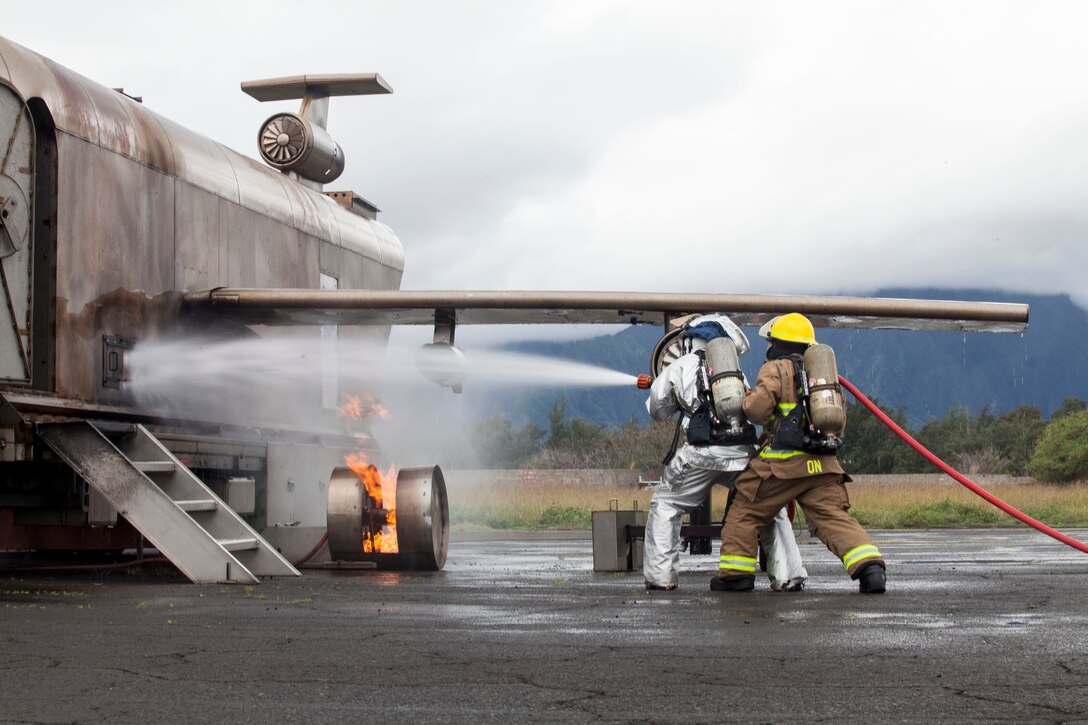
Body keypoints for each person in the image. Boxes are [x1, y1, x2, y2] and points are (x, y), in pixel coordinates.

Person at [711, 313, 887, 594]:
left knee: (744, 509)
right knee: (832, 517)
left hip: (782, 466)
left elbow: (757, 411)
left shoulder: (776, 368)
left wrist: (744, 397)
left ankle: (736, 575)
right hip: (824, 465)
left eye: (771, 342)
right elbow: (837, 419)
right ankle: (871, 568)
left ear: (778, 343)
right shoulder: (822, 374)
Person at [643, 313, 808, 591]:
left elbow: (656, 410)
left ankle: (661, 578)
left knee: (666, 505)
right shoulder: (733, 371)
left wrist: (663, 387)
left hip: (700, 455)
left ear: (692, 340)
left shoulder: (681, 365)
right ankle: (788, 576)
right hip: (743, 452)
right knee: (768, 507)